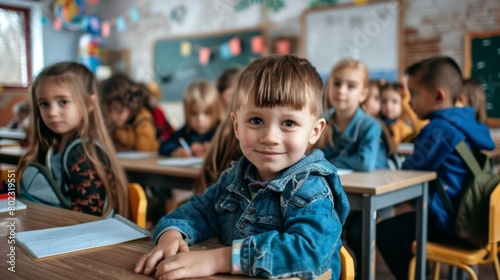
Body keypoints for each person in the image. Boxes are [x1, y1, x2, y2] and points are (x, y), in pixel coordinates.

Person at [135, 55, 350, 279]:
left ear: (315, 131)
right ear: (237, 126)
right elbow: (198, 210)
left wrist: (220, 259)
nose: (269, 137)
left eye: (288, 123)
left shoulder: (312, 189)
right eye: (256, 120)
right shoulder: (234, 179)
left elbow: (307, 251)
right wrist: (172, 233)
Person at [376, 56, 495, 280]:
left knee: (385, 232)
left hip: (451, 225)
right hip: (475, 223)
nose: (408, 102)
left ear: (439, 96)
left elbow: (409, 171)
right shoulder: (464, 123)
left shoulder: (438, 129)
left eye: (414, 94)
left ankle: (418, 276)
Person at [17, 61, 129, 217]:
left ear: (89, 104)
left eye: (63, 102)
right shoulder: (52, 145)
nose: (52, 112)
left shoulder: (82, 153)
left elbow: (89, 217)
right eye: (44, 104)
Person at [316, 58, 388, 171]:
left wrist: (330, 162)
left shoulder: (370, 125)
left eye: (351, 86)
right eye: (337, 83)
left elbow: (364, 163)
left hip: (377, 185)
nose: (341, 90)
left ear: (363, 94)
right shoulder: (323, 120)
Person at [159, 80, 221, 158]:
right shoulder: (185, 131)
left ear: (216, 111)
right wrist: (175, 150)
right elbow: (164, 146)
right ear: (186, 113)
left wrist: (215, 149)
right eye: (194, 113)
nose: (200, 119)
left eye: (206, 113)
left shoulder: (222, 131)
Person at [100, 73, 159, 152]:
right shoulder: (118, 123)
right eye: (109, 111)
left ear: (131, 105)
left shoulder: (144, 120)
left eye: (118, 111)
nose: (113, 117)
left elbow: (144, 149)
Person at [380, 82, 414, 146]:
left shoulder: (405, 130)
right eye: (384, 101)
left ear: (402, 105)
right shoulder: (376, 124)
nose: (388, 106)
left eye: (394, 101)